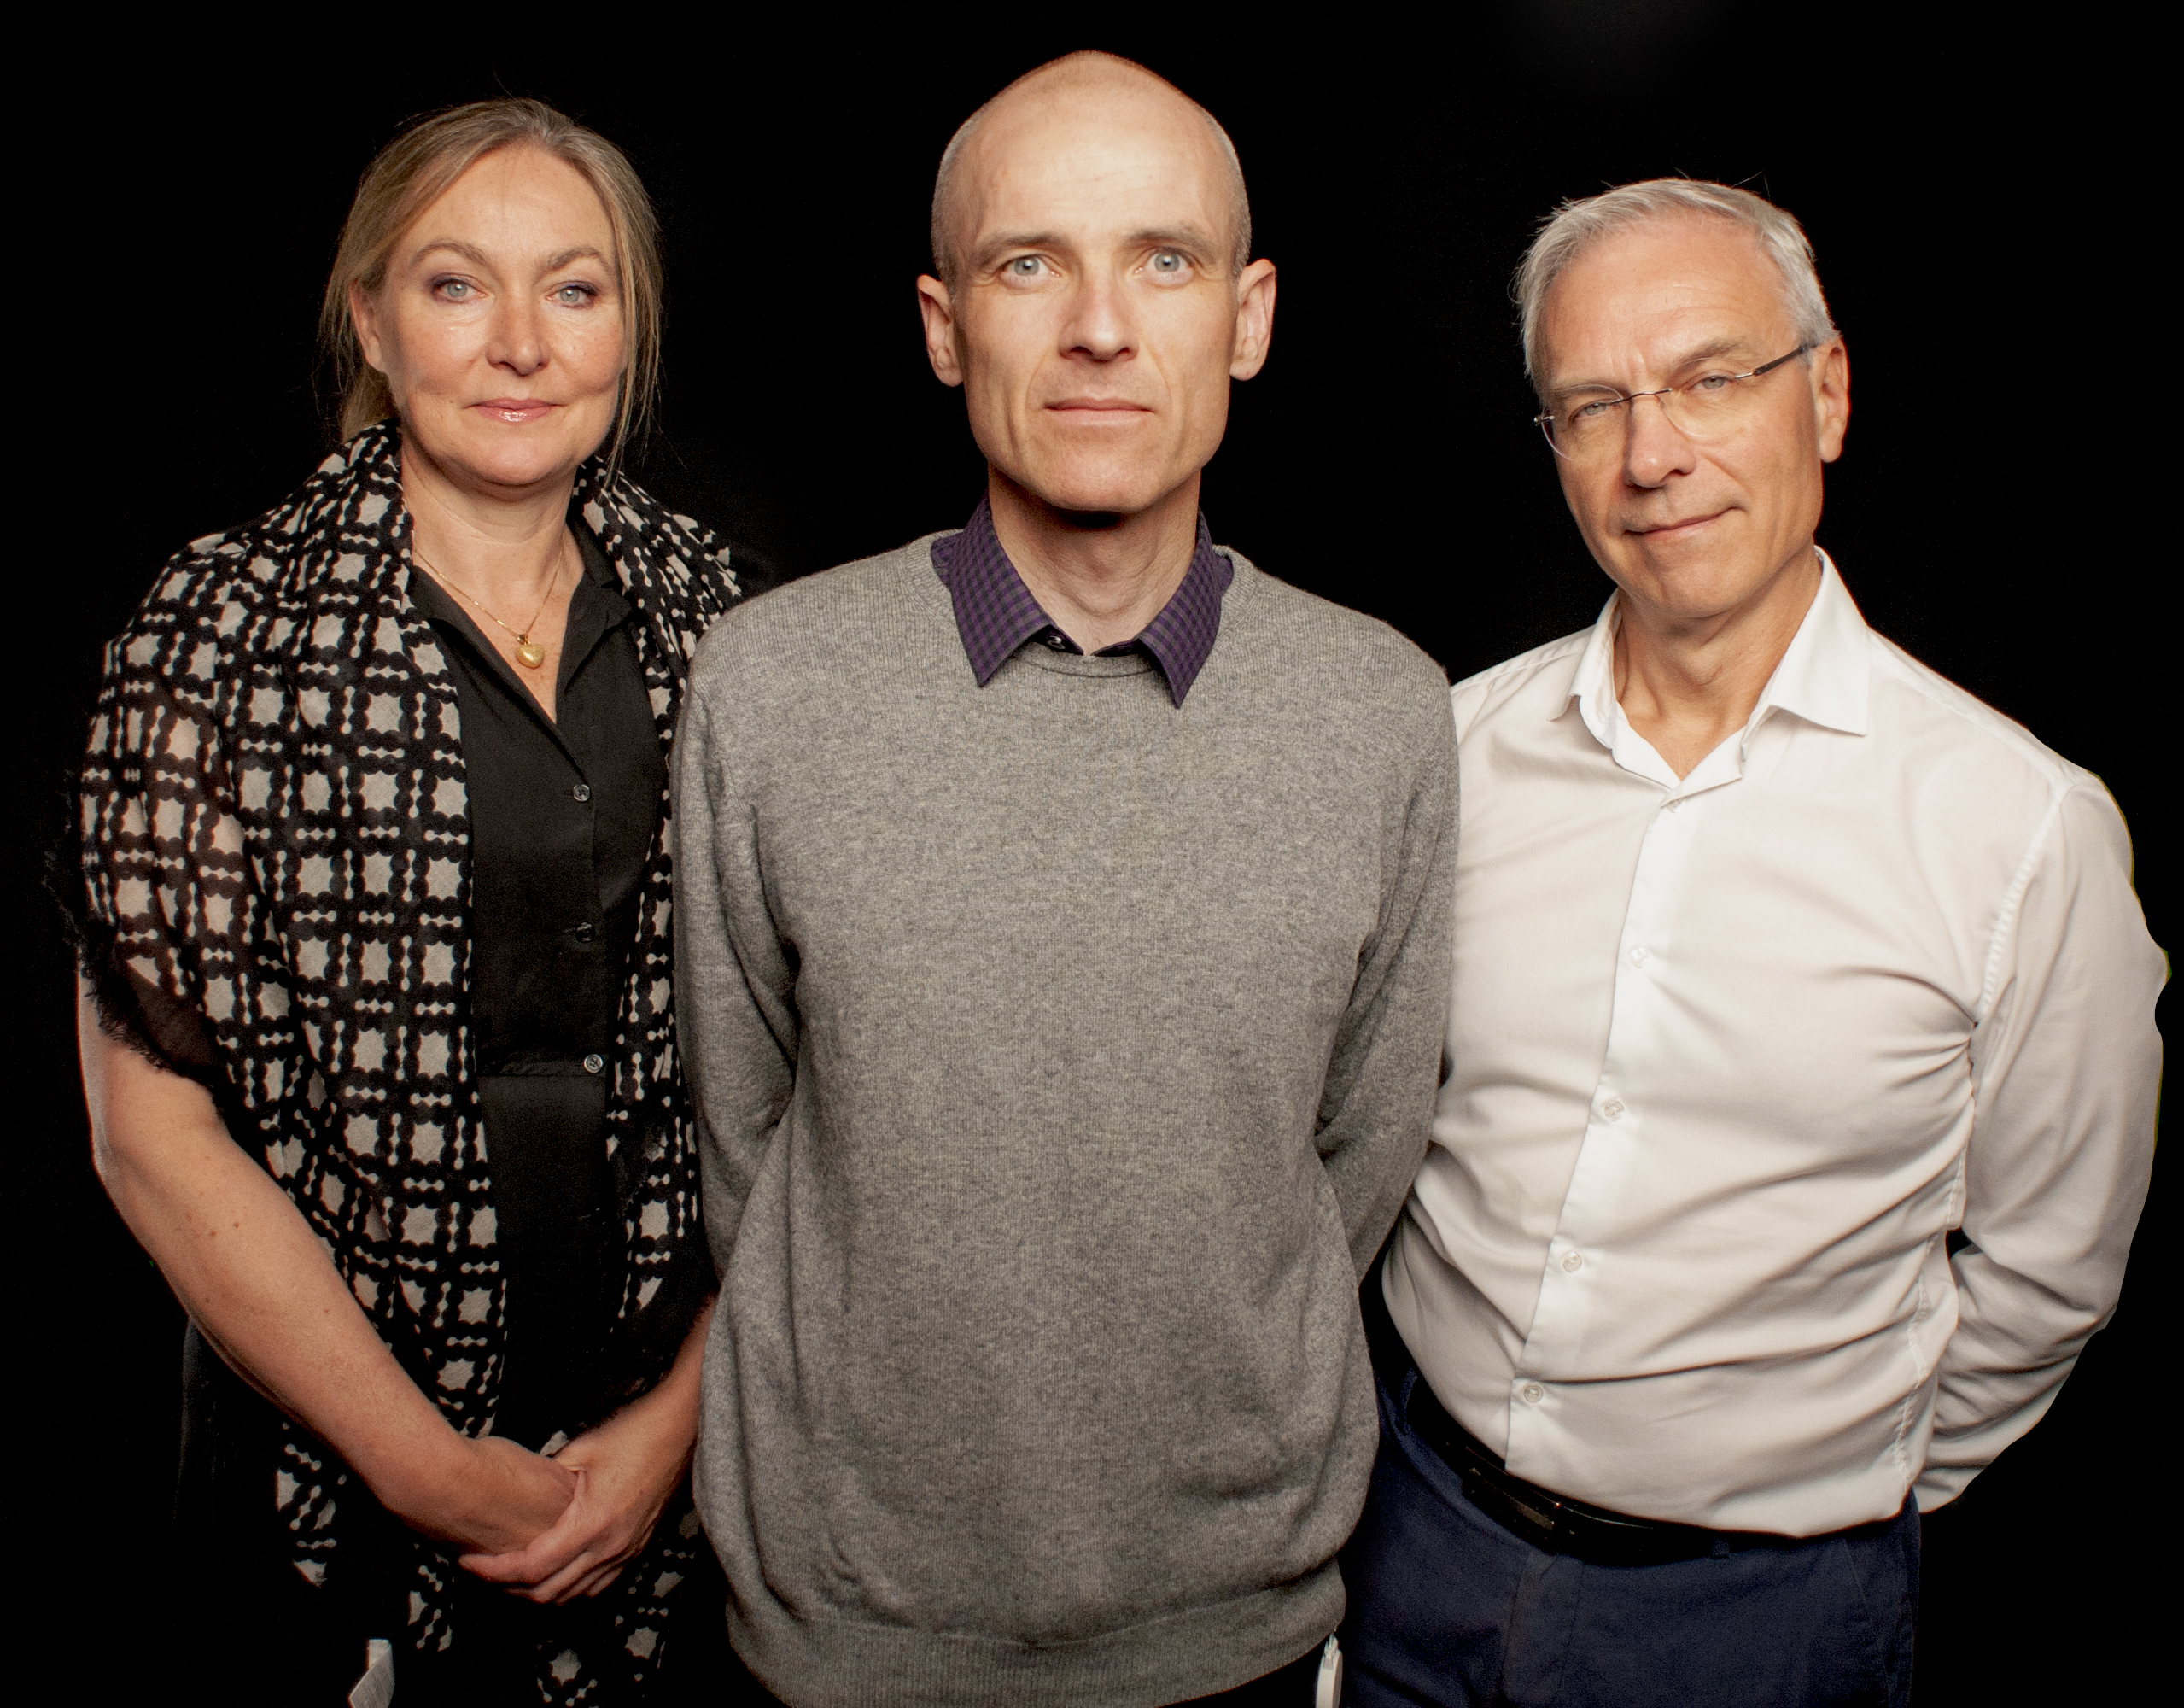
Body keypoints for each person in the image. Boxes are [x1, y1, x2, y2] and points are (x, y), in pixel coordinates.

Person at [673, 51, 1456, 1708]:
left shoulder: (1379, 705)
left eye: (1160, 260)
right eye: (1030, 262)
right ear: (945, 323)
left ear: (1245, 318)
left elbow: (1355, 1155)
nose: (1100, 324)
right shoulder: (769, 684)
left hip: (1228, 1631)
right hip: (844, 1633)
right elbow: (748, 1142)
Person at [1338, 178, 2165, 1708]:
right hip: (1412, 1544)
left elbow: (2051, 1265)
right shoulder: (1445, 754)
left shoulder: (2019, 829)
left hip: (1759, 1623)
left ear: (1827, 394)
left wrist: (1827, 1507)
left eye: (1712, 380)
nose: (1655, 456)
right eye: (1594, 406)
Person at [72, 98, 745, 1705]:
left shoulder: (725, 618)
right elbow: (147, 1132)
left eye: (574, 291)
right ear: (371, 316)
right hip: (321, 1508)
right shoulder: (219, 622)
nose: (521, 343)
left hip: (669, 1472)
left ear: (628, 326)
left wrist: (675, 1429)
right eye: (457, 286)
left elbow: (804, 1076)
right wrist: (429, 1471)